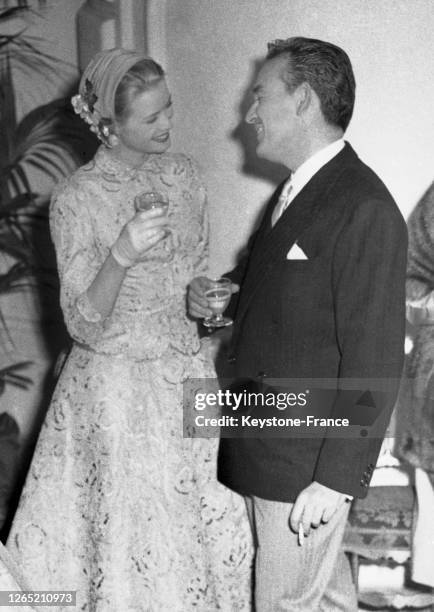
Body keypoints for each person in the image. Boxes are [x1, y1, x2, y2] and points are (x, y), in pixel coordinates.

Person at [6, 49, 252, 611]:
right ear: (108, 127)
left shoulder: (186, 177)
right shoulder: (75, 199)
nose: (167, 124)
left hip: (187, 381)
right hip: (113, 397)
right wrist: (120, 253)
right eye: (151, 118)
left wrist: (200, 298)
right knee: (124, 551)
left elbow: (192, 276)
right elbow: (82, 322)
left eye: (169, 109)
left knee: (208, 539)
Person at [188, 37, 407, 611]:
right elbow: (268, 284)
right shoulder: (295, 193)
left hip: (305, 461)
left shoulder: (362, 206)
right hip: (273, 444)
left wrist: (336, 478)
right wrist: (219, 297)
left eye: (260, 96)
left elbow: (377, 355)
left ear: (304, 100)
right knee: (324, 601)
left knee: (286, 603)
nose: (248, 113)